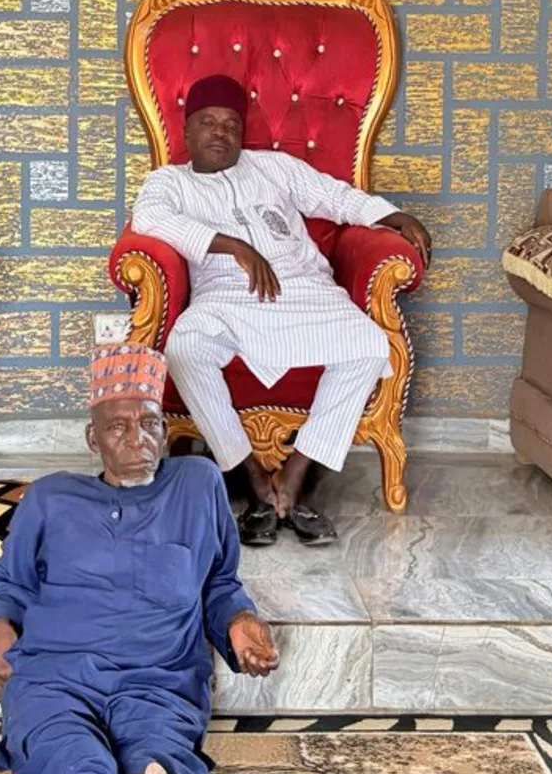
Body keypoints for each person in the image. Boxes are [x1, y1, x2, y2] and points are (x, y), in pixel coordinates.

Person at [0, 343, 280, 774]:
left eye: (150, 424)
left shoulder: (197, 486)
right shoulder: (52, 498)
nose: (138, 438)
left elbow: (218, 583)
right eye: (119, 426)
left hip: (159, 675)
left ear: (166, 431)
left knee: (162, 758)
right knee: (61, 751)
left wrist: (240, 620)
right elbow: (7, 583)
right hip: (56, 671)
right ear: (93, 438)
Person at [131, 73, 432, 547]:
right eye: (207, 122)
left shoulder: (273, 167)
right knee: (185, 348)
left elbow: (334, 197)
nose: (220, 133)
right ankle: (251, 477)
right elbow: (149, 220)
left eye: (231, 124)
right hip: (225, 297)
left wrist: (393, 216)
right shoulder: (169, 182)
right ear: (186, 131)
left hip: (303, 289)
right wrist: (233, 247)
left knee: (371, 345)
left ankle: (295, 476)